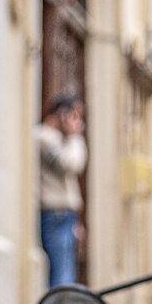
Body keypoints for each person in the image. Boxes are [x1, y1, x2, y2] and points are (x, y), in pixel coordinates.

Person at [36, 94, 87, 288]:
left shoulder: (57, 140)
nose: (79, 124)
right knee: (61, 276)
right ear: (63, 115)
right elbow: (73, 164)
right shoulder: (44, 138)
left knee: (66, 273)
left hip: (65, 216)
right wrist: (75, 138)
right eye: (75, 117)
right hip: (55, 215)